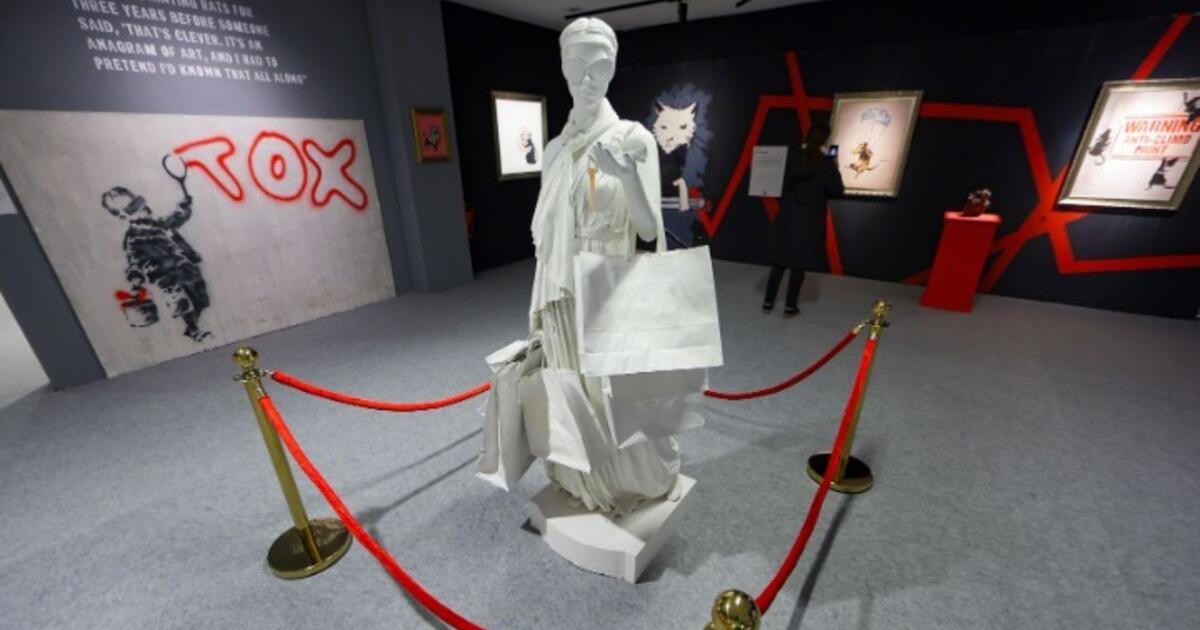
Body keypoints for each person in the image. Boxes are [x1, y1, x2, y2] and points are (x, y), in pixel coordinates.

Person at [478, 17, 697, 515]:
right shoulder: (555, 149)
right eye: (576, 65)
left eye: (599, 66)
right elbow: (549, 231)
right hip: (561, 289)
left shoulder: (634, 138)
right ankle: (579, 476)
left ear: (613, 69)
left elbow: (649, 232)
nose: (586, 78)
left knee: (614, 391)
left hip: (610, 286)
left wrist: (629, 178)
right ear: (562, 68)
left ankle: (627, 478)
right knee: (568, 384)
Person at [763, 122, 844, 317]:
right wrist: (835, 166)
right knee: (799, 264)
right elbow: (837, 190)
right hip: (810, 220)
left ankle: (768, 302)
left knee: (779, 261)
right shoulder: (826, 164)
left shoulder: (795, 158)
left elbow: (782, 186)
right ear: (825, 140)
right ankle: (790, 307)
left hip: (788, 216)